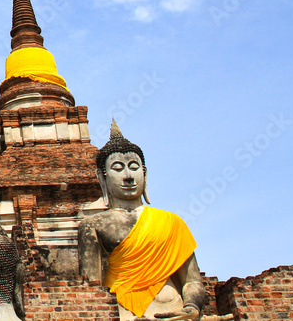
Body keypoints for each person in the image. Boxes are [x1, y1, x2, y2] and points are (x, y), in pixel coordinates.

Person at [78, 120, 231, 321]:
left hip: (175, 309)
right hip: (125, 311)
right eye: (118, 168)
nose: (128, 176)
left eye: (134, 167)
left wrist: (191, 307)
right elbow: (91, 288)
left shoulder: (170, 221)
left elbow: (191, 280)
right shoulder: (93, 225)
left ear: (145, 173)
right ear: (102, 177)